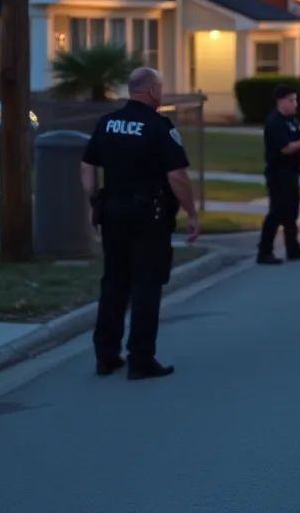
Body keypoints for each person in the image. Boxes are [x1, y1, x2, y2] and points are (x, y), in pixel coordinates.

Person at [79, 67, 200, 380]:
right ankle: (141, 359)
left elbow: (88, 165)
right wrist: (192, 212)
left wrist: (94, 202)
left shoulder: (108, 123)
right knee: (146, 284)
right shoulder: (159, 127)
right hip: (150, 216)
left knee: (114, 282)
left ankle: (106, 356)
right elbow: (177, 175)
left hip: (113, 214)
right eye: (160, 88)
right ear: (152, 91)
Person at [258, 84, 300, 265]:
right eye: (291, 100)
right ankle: (264, 251)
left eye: (295, 100)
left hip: (292, 172)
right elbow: (285, 148)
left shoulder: (291, 120)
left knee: (292, 212)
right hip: (278, 173)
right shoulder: (274, 122)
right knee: (276, 213)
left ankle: (293, 248)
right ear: (281, 101)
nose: (295, 104)